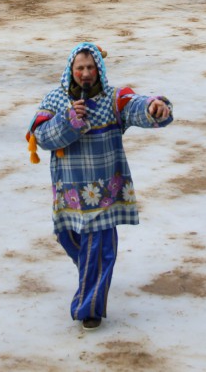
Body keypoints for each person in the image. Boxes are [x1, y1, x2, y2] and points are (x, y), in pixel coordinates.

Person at [25, 42, 173, 330]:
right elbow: (40, 138)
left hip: (104, 191)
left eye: (90, 67)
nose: (85, 73)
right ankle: (92, 270)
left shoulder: (112, 99)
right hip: (70, 191)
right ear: (70, 70)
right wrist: (69, 120)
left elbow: (136, 105)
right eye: (80, 68)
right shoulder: (55, 100)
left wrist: (154, 108)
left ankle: (88, 309)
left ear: (99, 70)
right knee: (70, 240)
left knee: (99, 248)